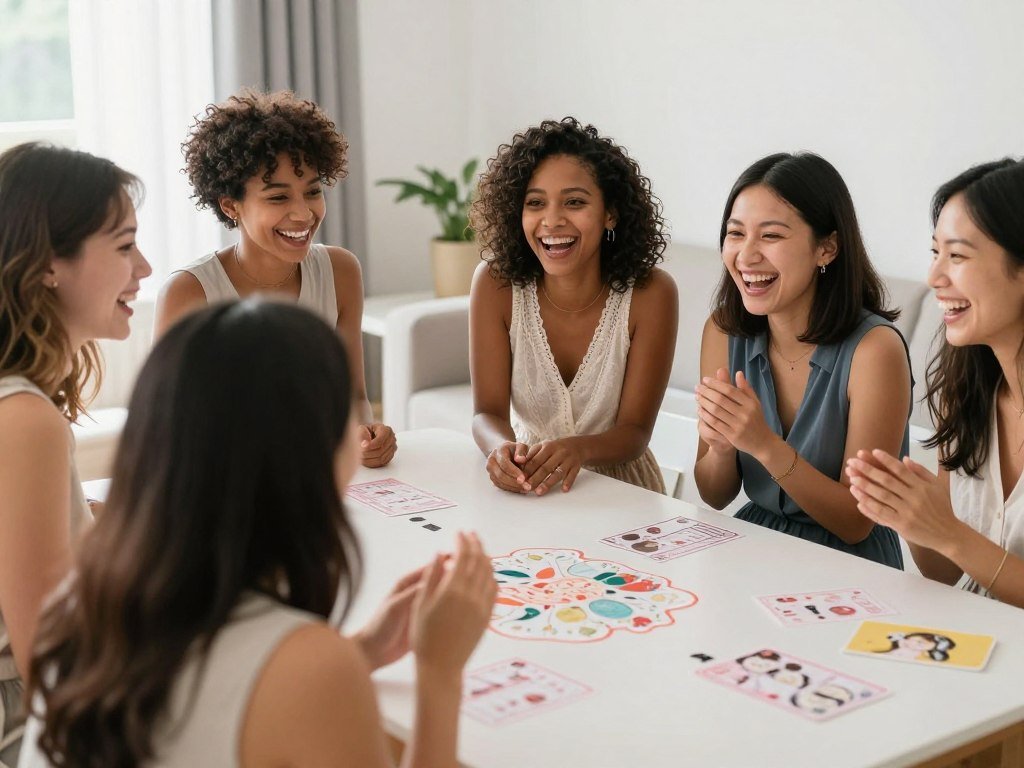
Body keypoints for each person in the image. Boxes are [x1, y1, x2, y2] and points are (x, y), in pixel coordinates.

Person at [21, 300, 496, 767]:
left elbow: (213, 701)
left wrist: (364, 650)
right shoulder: (310, 667)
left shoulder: (77, 609)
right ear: (311, 457)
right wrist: (440, 673)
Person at [0, 142, 151, 766]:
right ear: (48, 266)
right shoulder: (25, 419)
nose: (143, 268)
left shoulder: (20, 402)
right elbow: (48, 664)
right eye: (123, 246)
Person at [156, 88, 395, 468]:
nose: (303, 215)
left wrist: (366, 436)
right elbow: (170, 429)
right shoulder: (189, 293)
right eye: (278, 198)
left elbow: (351, 397)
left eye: (313, 192)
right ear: (231, 205)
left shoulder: (341, 271)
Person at [693, 152, 911, 568]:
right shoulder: (723, 332)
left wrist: (763, 445)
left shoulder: (875, 351)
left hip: (852, 563)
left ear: (826, 248)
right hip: (752, 546)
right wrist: (721, 448)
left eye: (771, 236)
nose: (746, 255)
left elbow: (855, 522)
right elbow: (714, 494)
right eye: (736, 234)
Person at [847, 159, 1024, 606]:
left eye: (958, 255)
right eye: (935, 252)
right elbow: (946, 575)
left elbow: (960, 547)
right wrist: (911, 518)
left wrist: (951, 533)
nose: (934, 278)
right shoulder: (962, 392)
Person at [469, 117, 677, 495]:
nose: (552, 220)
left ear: (609, 213)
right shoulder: (495, 284)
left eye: (575, 202)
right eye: (535, 203)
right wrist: (499, 449)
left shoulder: (652, 294)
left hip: (624, 492)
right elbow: (486, 413)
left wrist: (578, 450)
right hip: (528, 483)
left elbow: (635, 433)